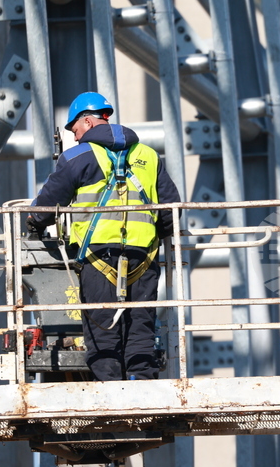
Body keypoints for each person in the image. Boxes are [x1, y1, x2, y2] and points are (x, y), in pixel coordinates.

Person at [27, 92, 180, 381]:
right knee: (141, 325)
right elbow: (171, 212)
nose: (74, 137)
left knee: (102, 327)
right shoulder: (148, 155)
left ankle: (109, 392)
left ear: (86, 121)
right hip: (143, 256)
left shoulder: (77, 157)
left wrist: (34, 222)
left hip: (99, 257)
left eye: (74, 130)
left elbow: (48, 204)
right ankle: (143, 388)